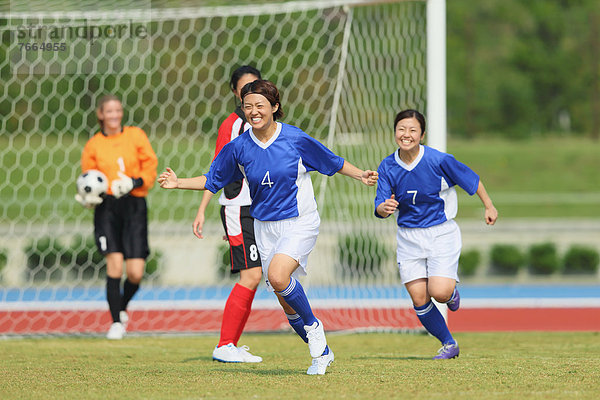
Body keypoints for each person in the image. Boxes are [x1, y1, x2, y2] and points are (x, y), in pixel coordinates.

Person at [159, 79, 378, 375]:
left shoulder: (294, 139)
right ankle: (321, 354)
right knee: (287, 304)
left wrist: (360, 176)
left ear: (275, 107)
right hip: (264, 227)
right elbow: (212, 178)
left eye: (260, 106)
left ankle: (315, 329)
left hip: (299, 220)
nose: (254, 111)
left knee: (277, 276)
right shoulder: (238, 147)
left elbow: (332, 161)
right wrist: (177, 183)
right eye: (248, 106)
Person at [374, 109, 497, 359]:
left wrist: (489, 205)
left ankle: (450, 293)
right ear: (394, 132)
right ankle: (449, 343)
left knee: (439, 292)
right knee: (419, 297)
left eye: (412, 130)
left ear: (422, 134)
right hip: (408, 237)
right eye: (401, 129)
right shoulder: (387, 165)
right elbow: (380, 204)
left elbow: (472, 181)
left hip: (440, 234)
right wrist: (383, 208)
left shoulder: (439, 160)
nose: (406, 135)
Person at [193, 65, 264, 363]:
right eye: (244, 88)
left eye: (255, 87)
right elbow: (217, 171)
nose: (250, 93)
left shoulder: (266, 123)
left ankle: (230, 345)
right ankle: (225, 345)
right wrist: (202, 210)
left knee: (266, 275)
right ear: (235, 92)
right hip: (239, 206)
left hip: (264, 209)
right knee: (252, 275)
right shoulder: (231, 126)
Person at [76, 94, 158, 340]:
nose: (114, 115)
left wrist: (134, 181)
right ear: (100, 114)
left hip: (134, 204)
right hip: (107, 208)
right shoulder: (93, 145)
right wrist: (90, 198)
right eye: (109, 111)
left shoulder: (135, 136)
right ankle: (115, 323)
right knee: (114, 262)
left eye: (117, 110)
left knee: (135, 272)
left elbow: (150, 165)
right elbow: (88, 178)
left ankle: (121, 306)